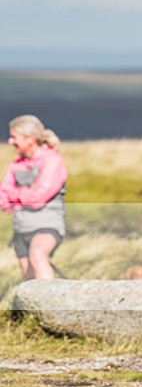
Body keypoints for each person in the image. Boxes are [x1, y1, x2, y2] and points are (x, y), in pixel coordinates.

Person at [1, 115, 67, 280]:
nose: (10, 142)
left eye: (14, 137)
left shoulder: (52, 160)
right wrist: (26, 192)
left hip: (47, 226)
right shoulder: (16, 165)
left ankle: (50, 304)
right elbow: (3, 200)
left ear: (30, 138)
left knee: (38, 255)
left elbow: (39, 198)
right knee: (29, 280)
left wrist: (16, 195)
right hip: (21, 230)